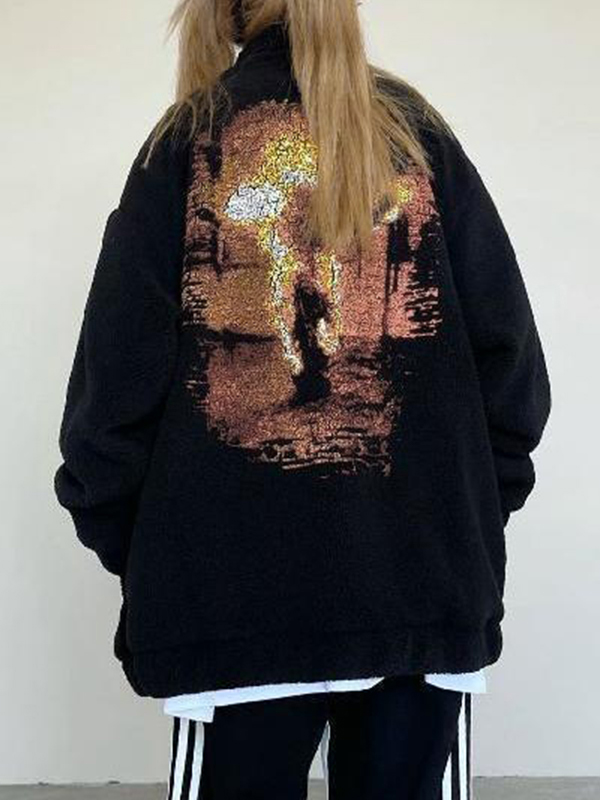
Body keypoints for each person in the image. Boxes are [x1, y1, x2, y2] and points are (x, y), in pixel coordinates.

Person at [54, 1, 551, 798]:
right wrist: (457, 522)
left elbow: (111, 396)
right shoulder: (417, 136)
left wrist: (158, 552)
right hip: (421, 592)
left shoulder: (185, 140)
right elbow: (513, 369)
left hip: (231, 604)